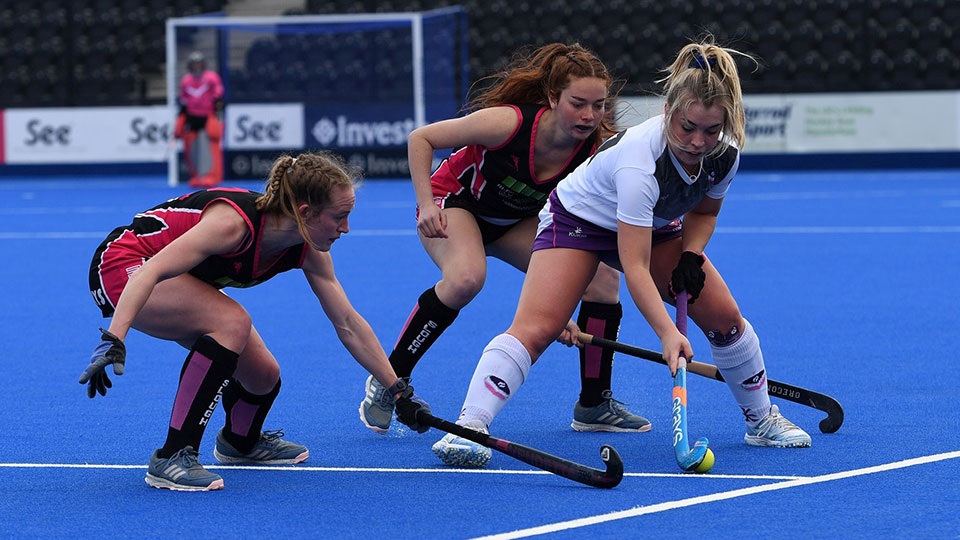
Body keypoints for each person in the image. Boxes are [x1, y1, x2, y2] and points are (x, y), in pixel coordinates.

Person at [432, 37, 812, 468]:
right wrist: (668, 334)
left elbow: (704, 211)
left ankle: (761, 420)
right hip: (579, 220)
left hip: (652, 226)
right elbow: (635, 266)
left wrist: (691, 253)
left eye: (710, 131)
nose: (697, 141)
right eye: (687, 128)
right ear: (668, 112)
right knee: (539, 327)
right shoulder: (640, 164)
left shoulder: (724, 155)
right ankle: (471, 426)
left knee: (725, 319)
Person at [81, 151, 432, 491]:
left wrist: (396, 390)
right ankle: (172, 456)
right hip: (125, 266)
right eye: (339, 216)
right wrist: (115, 338)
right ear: (306, 212)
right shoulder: (232, 225)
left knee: (263, 375)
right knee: (232, 321)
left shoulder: (308, 248)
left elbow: (348, 323)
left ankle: (239, 442)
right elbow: (152, 271)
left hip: (165, 277)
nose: (346, 228)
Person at [358, 43, 649, 449]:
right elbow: (420, 138)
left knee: (601, 281)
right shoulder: (508, 124)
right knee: (466, 278)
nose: (589, 116)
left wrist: (558, 302)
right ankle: (390, 378)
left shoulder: (595, 149)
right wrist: (425, 203)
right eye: (578, 103)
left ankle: (593, 404)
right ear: (552, 98)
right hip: (456, 205)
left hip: (514, 223)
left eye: (598, 106)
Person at [174, 51, 224, 188]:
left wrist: (217, 115)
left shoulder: (212, 78)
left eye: (199, 64)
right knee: (192, 147)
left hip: (207, 117)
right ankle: (197, 175)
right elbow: (183, 102)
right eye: (194, 64)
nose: (197, 67)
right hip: (192, 118)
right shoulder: (186, 81)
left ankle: (211, 175)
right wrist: (181, 120)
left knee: (210, 147)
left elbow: (218, 98)